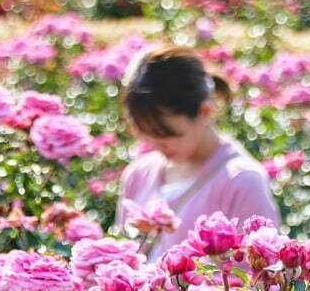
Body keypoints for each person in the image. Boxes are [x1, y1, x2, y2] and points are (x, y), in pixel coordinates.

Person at [115, 47, 278, 258]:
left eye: (167, 134)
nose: (156, 145)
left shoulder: (242, 182)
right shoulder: (138, 174)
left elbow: (260, 280)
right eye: (146, 132)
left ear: (204, 112)